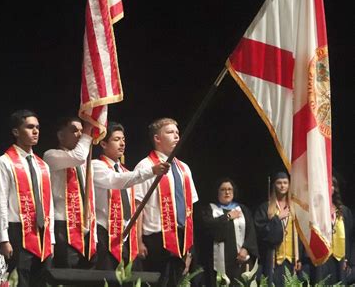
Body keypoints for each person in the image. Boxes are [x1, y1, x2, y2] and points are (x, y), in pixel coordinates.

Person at [92, 122, 170, 271]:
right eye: (116, 139)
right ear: (103, 143)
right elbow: (115, 180)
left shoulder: (124, 171)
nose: (122, 144)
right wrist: (150, 171)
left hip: (126, 236)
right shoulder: (96, 166)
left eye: (123, 140)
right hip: (105, 234)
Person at [0, 110, 54, 287]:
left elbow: (48, 203)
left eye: (37, 127)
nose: (35, 131)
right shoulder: (4, 162)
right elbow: (1, 202)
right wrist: (3, 238)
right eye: (29, 127)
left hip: (43, 232)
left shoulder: (43, 165)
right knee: (20, 280)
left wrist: (52, 238)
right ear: (16, 132)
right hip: (18, 231)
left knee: (42, 280)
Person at [134, 118, 199, 286]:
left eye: (177, 133)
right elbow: (138, 206)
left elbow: (189, 207)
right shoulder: (146, 166)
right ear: (157, 138)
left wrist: (189, 245)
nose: (176, 136)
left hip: (180, 237)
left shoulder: (184, 168)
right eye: (170, 132)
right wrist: (138, 241)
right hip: (156, 239)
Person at [43, 117, 96, 269]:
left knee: (87, 276)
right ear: (60, 135)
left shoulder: (85, 161)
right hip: (64, 224)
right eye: (74, 130)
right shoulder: (51, 155)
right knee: (67, 273)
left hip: (85, 225)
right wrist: (87, 131)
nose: (80, 135)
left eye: (81, 130)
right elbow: (77, 157)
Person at [201, 178, 258, 286]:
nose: (227, 192)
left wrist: (246, 248)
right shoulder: (210, 209)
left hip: (240, 259)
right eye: (223, 189)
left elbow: (251, 232)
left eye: (229, 189)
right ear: (217, 192)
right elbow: (209, 229)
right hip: (217, 261)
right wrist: (227, 216)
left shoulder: (242, 209)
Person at [254, 171, 302, 286]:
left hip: (292, 260)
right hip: (272, 259)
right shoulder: (265, 207)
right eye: (279, 183)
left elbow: (302, 235)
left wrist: (300, 258)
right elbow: (261, 232)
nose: (282, 186)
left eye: (285, 183)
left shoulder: (295, 208)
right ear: (274, 185)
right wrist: (277, 218)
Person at [309, 175, 354, 285]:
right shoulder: (315, 211)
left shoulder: (344, 211)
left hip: (340, 259)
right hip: (322, 258)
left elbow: (351, 237)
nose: (329, 188)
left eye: (331, 185)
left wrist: (348, 259)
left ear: (335, 188)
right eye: (326, 185)